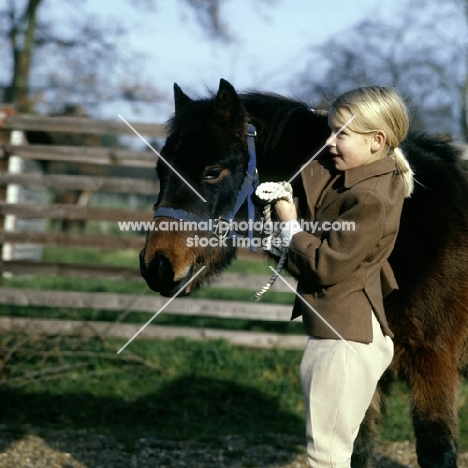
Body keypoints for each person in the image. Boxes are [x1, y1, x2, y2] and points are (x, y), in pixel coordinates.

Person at [274, 86, 414, 467]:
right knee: (334, 451)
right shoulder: (373, 181)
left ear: (376, 141)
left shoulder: (367, 197)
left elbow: (326, 265)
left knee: (327, 456)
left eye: (341, 134)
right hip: (349, 329)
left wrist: (289, 225)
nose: (330, 142)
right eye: (330, 131)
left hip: (342, 339)